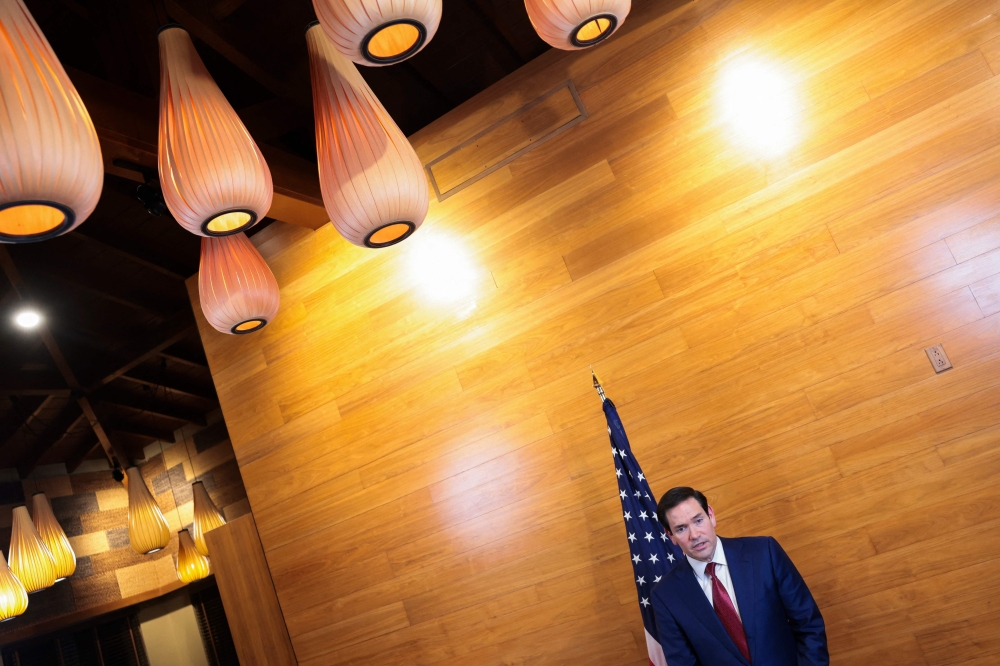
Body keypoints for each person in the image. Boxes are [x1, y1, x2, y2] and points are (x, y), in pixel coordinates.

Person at [650, 487, 829, 665]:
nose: (695, 535)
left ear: (711, 515)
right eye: (681, 529)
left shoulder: (764, 552)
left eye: (698, 521)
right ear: (670, 535)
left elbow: (808, 624)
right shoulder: (665, 595)